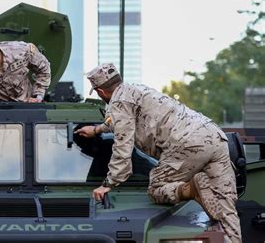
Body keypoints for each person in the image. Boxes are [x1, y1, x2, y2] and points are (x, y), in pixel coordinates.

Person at [75, 63, 241, 243]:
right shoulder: (136, 89)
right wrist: (97, 130)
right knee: (226, 206)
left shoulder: (117, 103)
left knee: (156, 188)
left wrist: (108, 183)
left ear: (99, 91)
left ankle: (192, 189)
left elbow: (122, 147)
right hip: (214, 136)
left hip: (186, 143)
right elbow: (118, 121)